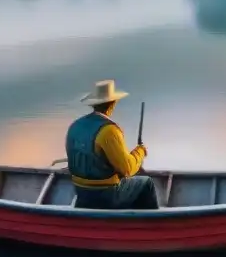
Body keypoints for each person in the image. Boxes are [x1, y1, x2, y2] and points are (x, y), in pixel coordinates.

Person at [65, 79, 160, 210]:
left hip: (81, 193)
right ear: (113, 103)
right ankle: (150, 225)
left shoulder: (75, 125)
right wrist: (140, 152)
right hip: (105, 195)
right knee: (146, 183)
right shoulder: (109, 130)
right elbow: (127, 169)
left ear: (94, 104)